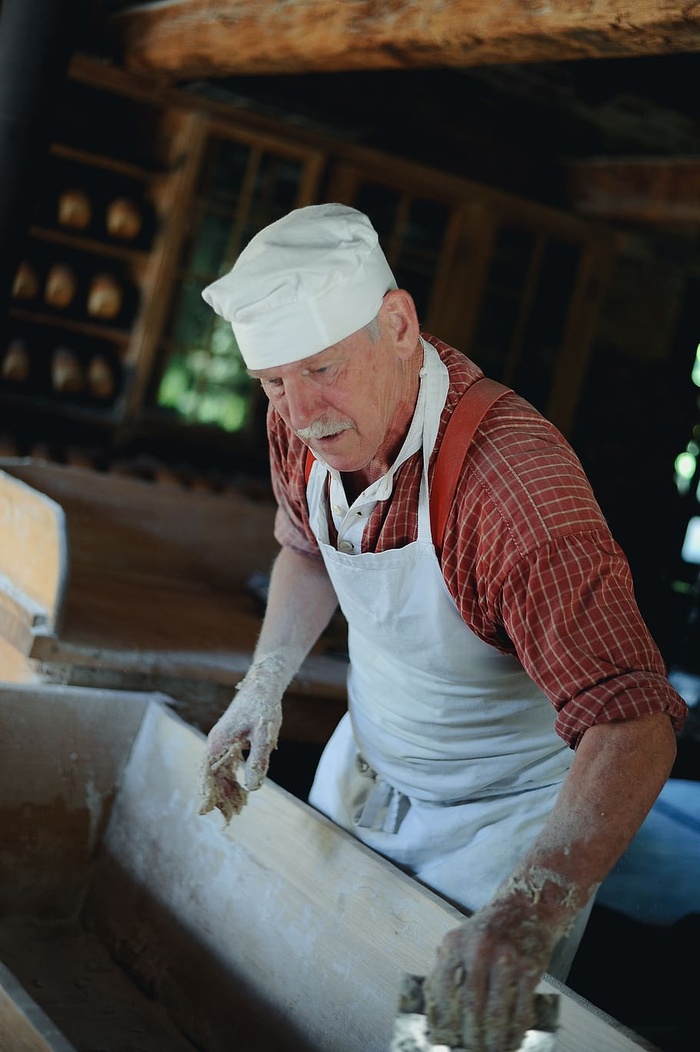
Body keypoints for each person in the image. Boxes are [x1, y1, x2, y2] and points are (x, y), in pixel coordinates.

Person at [199, 203, 687, 1051]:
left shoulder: (515, 492)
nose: (302, 411)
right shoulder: (300, 424)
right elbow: (309, 553)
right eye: (275, 382)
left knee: (443, 1038)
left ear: (397, 323)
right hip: (368, 772)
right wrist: (262, 684)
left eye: (322, 368)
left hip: (502, 836)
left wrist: (532, 910)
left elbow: (635, 728)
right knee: (303, 1005)